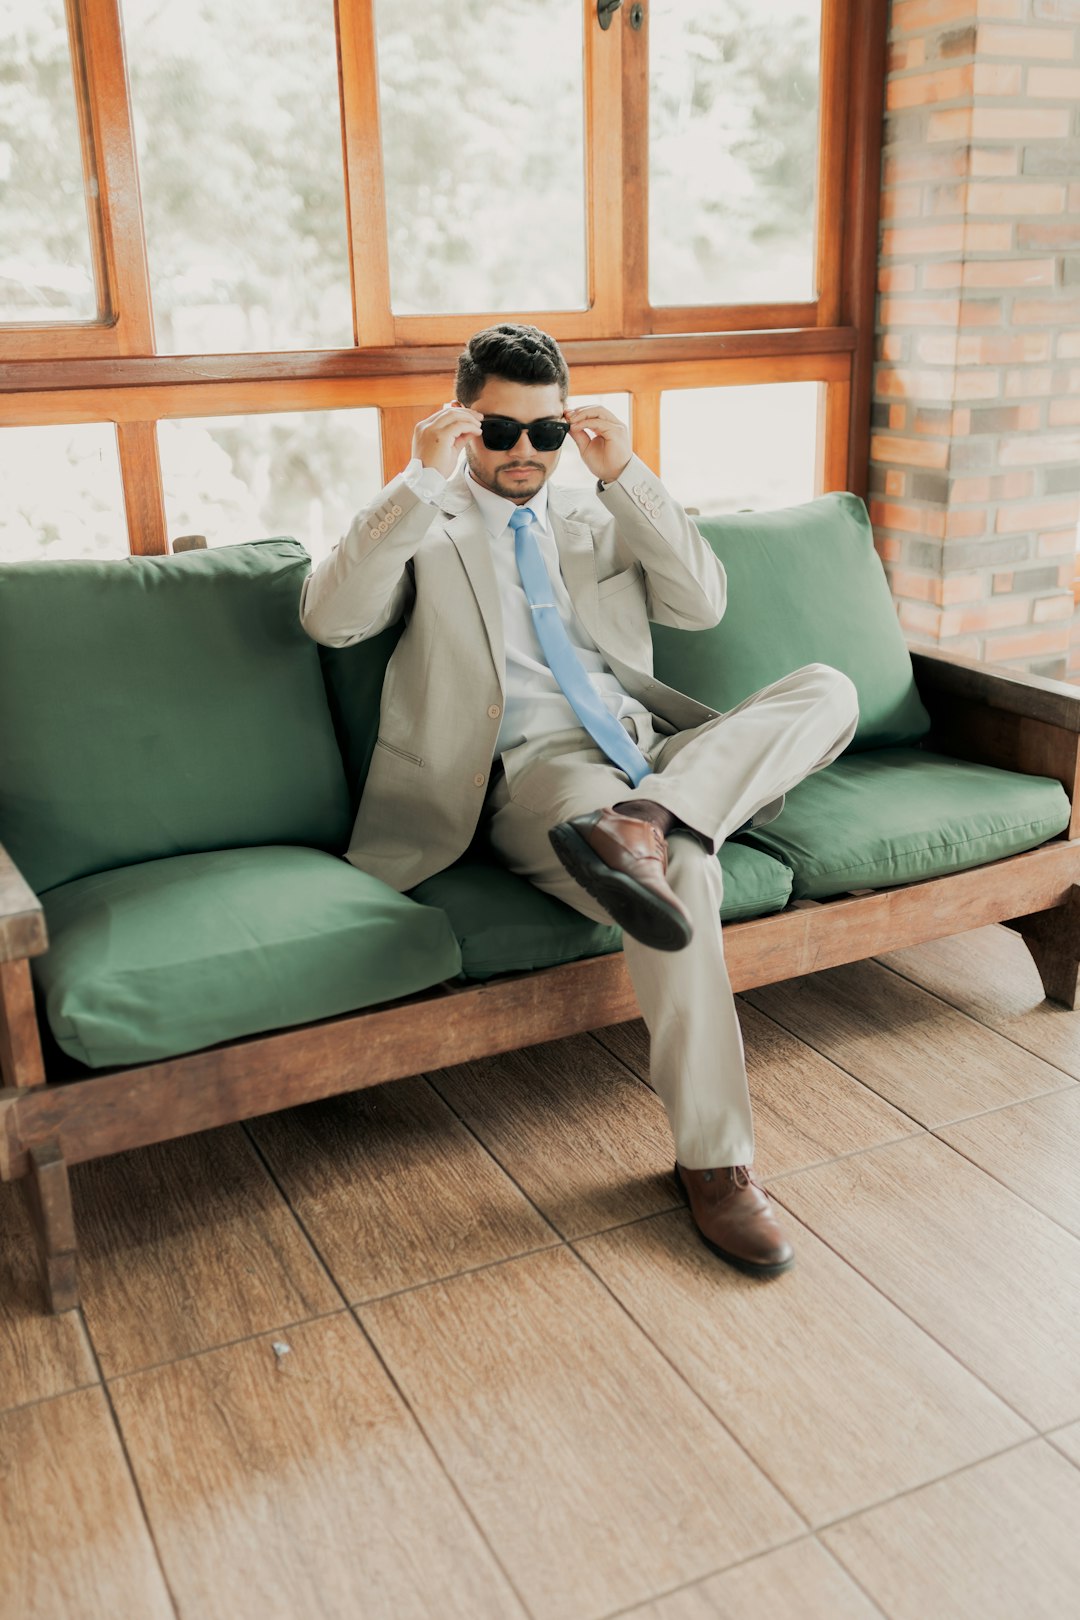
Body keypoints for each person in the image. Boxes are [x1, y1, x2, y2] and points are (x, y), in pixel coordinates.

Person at [301, 323, 859, 1278]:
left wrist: (626, 472)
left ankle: (642, 823)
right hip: (540, 768)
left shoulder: (598, 515)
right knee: (685, 874)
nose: (525, 453)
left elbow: (703, 602)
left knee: (829, 690)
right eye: (500, 432)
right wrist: (418, 479)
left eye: (545, 433)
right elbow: (330, 615)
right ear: (462, 425)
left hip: (654, 752)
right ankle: (718, 1165)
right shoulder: (426, 524)